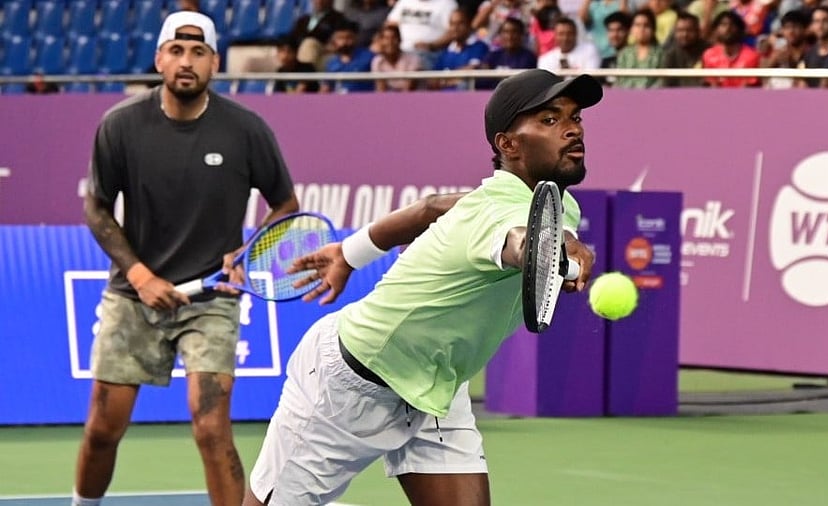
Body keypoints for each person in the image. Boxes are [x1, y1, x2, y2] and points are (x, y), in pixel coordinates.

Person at [242, 68, 601, 505]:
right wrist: (556, 245)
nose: (571, 128)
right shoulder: (495, 216)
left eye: (575, 117)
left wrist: (349, 253)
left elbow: (432, 207)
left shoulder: (557, 204)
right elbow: (518, 239)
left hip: (438, 385)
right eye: (549, 120)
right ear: (507, 144)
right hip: (353, 383)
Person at [73, 11, 300, 506]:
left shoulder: (246, 129)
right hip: (134, 296)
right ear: (159, 58)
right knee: (102, 428)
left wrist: (248, 250)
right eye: (176, 51)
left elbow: (285, 204)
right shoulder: (120, 126)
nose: (186, 62)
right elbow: (96, 205)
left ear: (214, 63)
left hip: (212, 297)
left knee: (211, 426)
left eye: (198, 52)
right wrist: (139, 274)